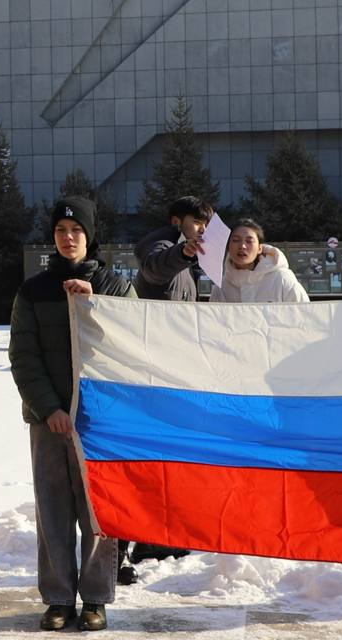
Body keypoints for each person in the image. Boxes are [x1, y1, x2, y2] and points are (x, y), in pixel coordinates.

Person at [9, 196, 136, 631]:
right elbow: (23, 356)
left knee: (98, 510)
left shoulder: (116, 288)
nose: (68, 238)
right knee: (53, 509)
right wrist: (49, 408)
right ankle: (58, 598)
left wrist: (95, 304)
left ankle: (96, 598)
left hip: (100, 422)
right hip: (49, 420)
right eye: (61, 231)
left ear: (90, 235)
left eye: (76, 230)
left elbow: (134, 345)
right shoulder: (33, 291)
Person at [126, 195, 215, 565]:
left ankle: (160, 534)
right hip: (154, 371)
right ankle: (145, 537)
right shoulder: (162, 244)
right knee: (154, 454)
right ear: (178, 220)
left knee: (170, 452)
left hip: (172, 366)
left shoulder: (185, 255)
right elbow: (154, 269)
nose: (203, 230)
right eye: (198, 222)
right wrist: (184, 251)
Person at [210, 218, 310, 303]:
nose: (242, 246)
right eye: (236, 240)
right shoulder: (220, 289)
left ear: (259, 248)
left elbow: (304, 314)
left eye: (249, 241)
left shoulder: (281, 279)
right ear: (228, 247)